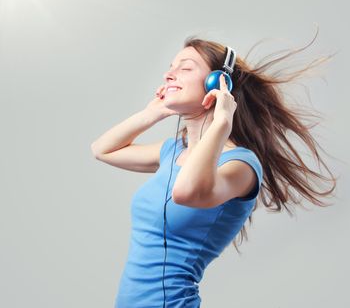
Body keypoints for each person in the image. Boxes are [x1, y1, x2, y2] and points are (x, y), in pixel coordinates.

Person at [91, 31, 338, 308]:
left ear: (218, 82)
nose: (169, 75)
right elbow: (103, 149)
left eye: (185, 68)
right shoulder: (172, 151)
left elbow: (186, 192)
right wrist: (153, 113)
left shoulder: (241, 165)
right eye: (171, 68)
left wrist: (222, 123)